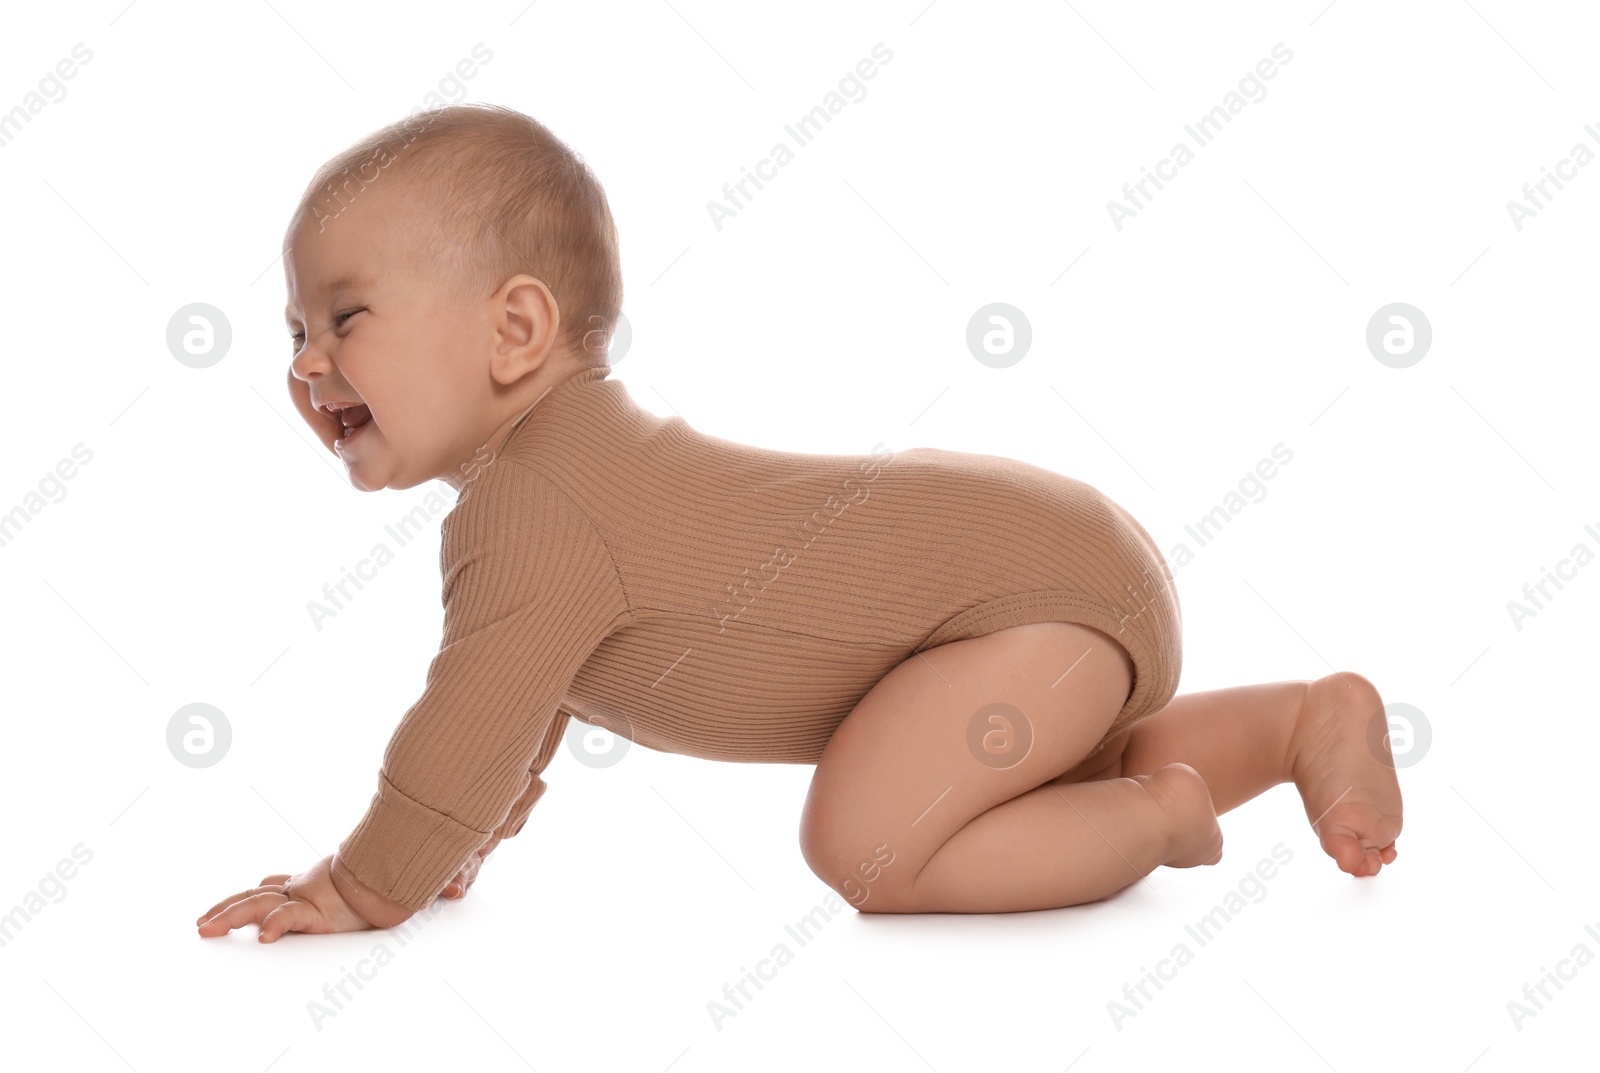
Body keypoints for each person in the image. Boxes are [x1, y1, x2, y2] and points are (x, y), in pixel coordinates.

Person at [197, 103, 1401, 942]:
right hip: (1049, 582)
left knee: (872, 838)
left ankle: (1158, 812)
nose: (307, 363)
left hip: (1026, 602)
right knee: (1011, 776)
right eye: (292, 331)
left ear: (515, 333)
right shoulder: (564, 486)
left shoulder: (535, 506)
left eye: (344, 319)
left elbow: (468, 717)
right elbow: (519, 711)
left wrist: (368, 883)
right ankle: (1297, 723)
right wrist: (469, 838)